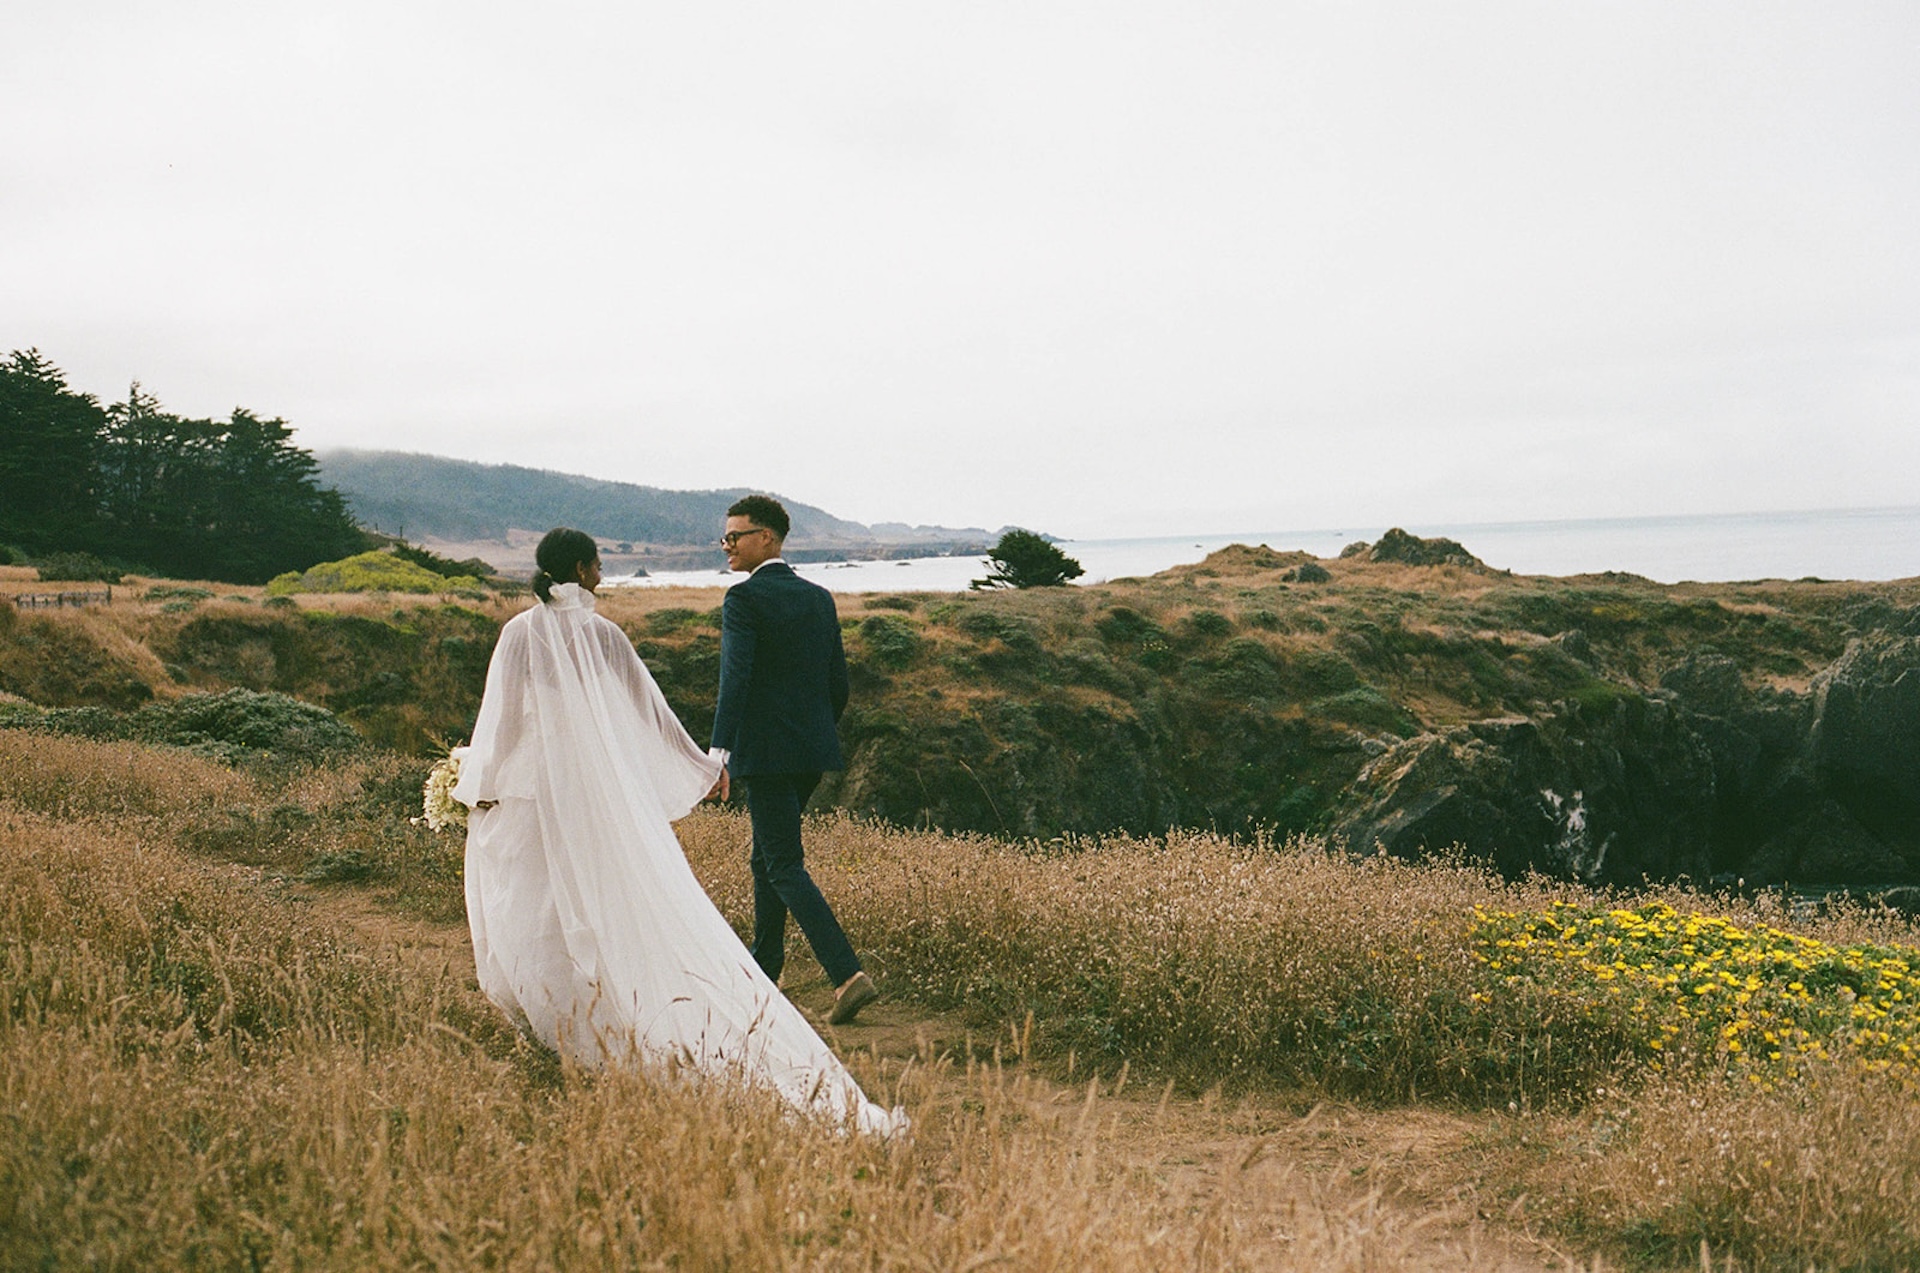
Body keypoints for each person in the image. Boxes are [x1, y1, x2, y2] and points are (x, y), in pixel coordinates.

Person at [452, 527, 903, 1136]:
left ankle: (563, 1020)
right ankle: (620, 1008)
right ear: (583, 570)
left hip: (537, 792)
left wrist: (479, 785)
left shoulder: (518, 633)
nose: (604, 571)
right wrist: (703, 764)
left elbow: (500, 723)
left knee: (543, 904)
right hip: (597, 796)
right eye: (600, 562)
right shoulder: (605, 636)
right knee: (614, 902)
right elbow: (651, 716)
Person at [710, 495, 879, 1025]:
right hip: (811, 752)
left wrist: (719, 753)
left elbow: (733, 679)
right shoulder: (819, 598)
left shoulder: (743, 600)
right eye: (726, 538)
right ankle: (765, 969)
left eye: (735, 537)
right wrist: (815, 732)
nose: (727, 546)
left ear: (767, 539)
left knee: (782, 863)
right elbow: (838, 685)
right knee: (766, 858)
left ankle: (846, 974)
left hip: (763, 754)